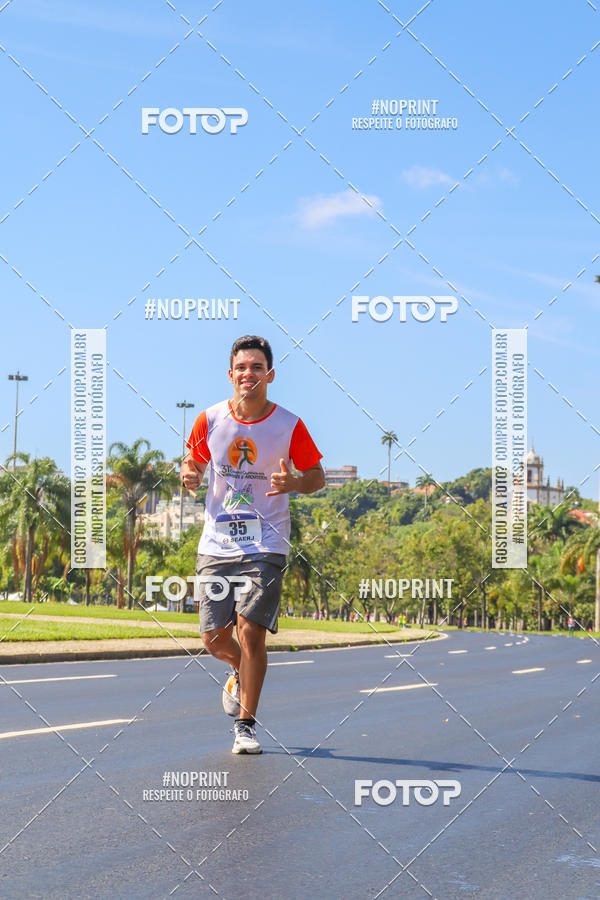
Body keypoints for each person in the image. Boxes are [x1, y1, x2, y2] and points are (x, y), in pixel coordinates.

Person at [180, 335, 325, 754]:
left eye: (257, 367)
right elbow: (192, 462)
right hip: (217, 539)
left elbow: (317, 476)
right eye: (242, 367)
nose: (249, 374)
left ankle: (246, 725)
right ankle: (237, 671)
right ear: (231, 375)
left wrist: (295, 482)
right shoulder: (208, 420)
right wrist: (189, 474)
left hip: (267, 542)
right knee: (213, 637)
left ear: (270, 375)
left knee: (251, 632)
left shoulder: (289, 425)